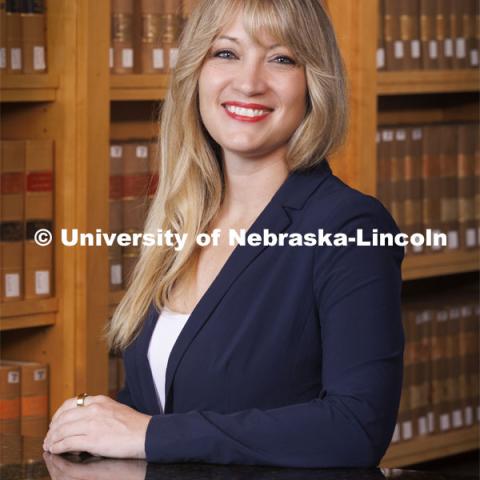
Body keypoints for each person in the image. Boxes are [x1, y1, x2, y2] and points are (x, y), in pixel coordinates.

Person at [43, 0, 405, 468]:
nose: (249, 82)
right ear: (196, 71)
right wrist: (94, 425)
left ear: (313, 82)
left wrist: (151, 435)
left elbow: (357, 427)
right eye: (226, 53)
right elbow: (157, 399)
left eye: (281, 58)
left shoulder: (348, 226)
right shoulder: (183, 221)